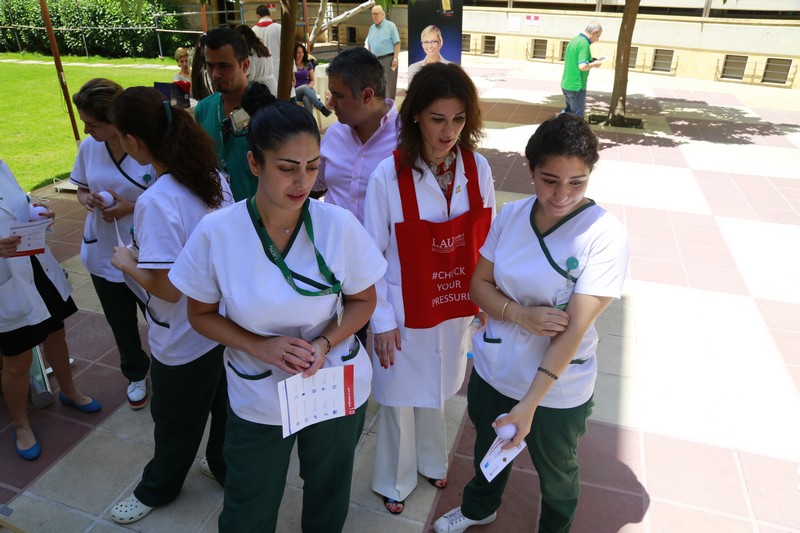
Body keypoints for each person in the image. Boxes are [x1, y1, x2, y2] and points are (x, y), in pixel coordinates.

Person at [168, 101, 387, 532]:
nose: (303, 182)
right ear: (254, 163)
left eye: (312, 166)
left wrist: (324, 342)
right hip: (260, 388)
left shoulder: (338, 225)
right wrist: (260, 346)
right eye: (287, 168)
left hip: (329, 378)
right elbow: (201, 314)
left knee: (329, 488)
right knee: (250, 500)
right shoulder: (218, 232)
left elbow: (364, 301)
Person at [433, 114, 629, 533]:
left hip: (557, 386)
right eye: (549, 180)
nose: (562, 195)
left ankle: (555, 527)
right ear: (531, 170)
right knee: (489, 449)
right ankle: (479, 508)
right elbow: (479, 284)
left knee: (556, 468)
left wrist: (530, 403)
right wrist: (519, 314)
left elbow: (574, 328)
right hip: (497, 368)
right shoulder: (511, 215)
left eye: (577, 182)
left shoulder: (605, 235)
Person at [364, 62, 496, 516]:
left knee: (438, 388)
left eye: (458, 119)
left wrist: (488, 296)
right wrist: (381, 320)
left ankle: (431, 460)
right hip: (402, 307)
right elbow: (370, 256)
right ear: (416, 114)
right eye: (438, 118)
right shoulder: (387, 176)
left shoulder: (477, 168)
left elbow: (488, 241)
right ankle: (393, 478)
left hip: (454, 302)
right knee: (400, 397)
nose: (449, 131)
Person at [107, 87, 233, 524]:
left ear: (133, 141)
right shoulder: (209, 176)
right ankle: (221, 465)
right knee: (223, 408)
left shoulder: (157, 201)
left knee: (175, 420)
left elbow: (169, 289)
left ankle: (158, 487)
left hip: (183, 336)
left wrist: (127, 262)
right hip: (222, 325)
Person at [1, 159, 101, 461]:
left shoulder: (2, 166)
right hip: (7, 281)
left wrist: (36, 212)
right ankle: (21, 423)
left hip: (35, 264)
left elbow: (19, 203)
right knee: (17, 361)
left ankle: (69, 391)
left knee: (56, 334)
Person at [69, 78, 154, 410]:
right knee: (120, 321)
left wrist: (130, 207)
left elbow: (171, 199)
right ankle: (135, 372)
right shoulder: (90, 148)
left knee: (160, 317)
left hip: (146, 250)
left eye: (92, 124)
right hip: (103, 249)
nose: (86, 130)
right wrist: (87, 199)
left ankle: (169, 369)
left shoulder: (146, 147)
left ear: (115, 120)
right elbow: (80, 189)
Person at [314, 46, 400, 345]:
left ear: (366, 95)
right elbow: (316, 182)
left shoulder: (407, 140)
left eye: (337, 95)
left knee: (382, 356)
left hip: (384, 274)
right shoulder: (334, 134)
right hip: (330, 266)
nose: (330, 103)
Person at [194, 28, 255, 202]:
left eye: (223, 66)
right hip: (218, 209)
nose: (215, 74)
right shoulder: (203, 109)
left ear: (245, 65)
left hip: (258, 211)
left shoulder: (264, 110)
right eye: (210, 65)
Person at [560, 22, 603, 118]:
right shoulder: (584, 44)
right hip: (577, 86)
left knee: (568, 112)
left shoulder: (575, 40)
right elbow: (582, 66)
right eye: (598, 36)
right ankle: (555, 125)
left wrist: (591, 60)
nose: (597, 40)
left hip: (566, 83)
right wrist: (595, 64)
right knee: (577, 117)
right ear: (594, 32)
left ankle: (555, 124)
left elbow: (575, 59)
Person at [365, 5, 400, 100]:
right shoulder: (372, 28)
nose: (374, 16)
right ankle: (379, 105)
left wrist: (395, 58)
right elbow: (369, 46)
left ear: (383, 14)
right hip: (375, 61)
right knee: (376, 85)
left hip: (389, 60)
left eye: (376, 14)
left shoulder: (391, 26)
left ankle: (390, 106)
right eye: (372, 14)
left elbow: (397, 44)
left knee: (389, 86)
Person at [235, 24, 277, 97]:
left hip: (261, 88)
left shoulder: (250, 52)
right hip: (272, 84)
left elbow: (250, 75)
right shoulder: (262, 48)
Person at [293, 42, 331, 117]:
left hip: (308, 90)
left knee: (306, 98)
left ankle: (310, 120)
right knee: (304, 87)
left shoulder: (308, 64)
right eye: (298, 52)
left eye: (302, 52)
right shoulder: (291, 65)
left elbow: (312, 80)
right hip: (296, 92)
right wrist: (305, 87)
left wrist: (307, 87)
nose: (301, 54)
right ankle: (321, 107)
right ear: (294, 53)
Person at [252, 4, 282, 84]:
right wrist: (292, 71)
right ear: (270, 15)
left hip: (261, 73)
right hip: (280, 70)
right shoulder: (280, 28)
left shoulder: (253, 31)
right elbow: (288, 50)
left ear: (258, 16)